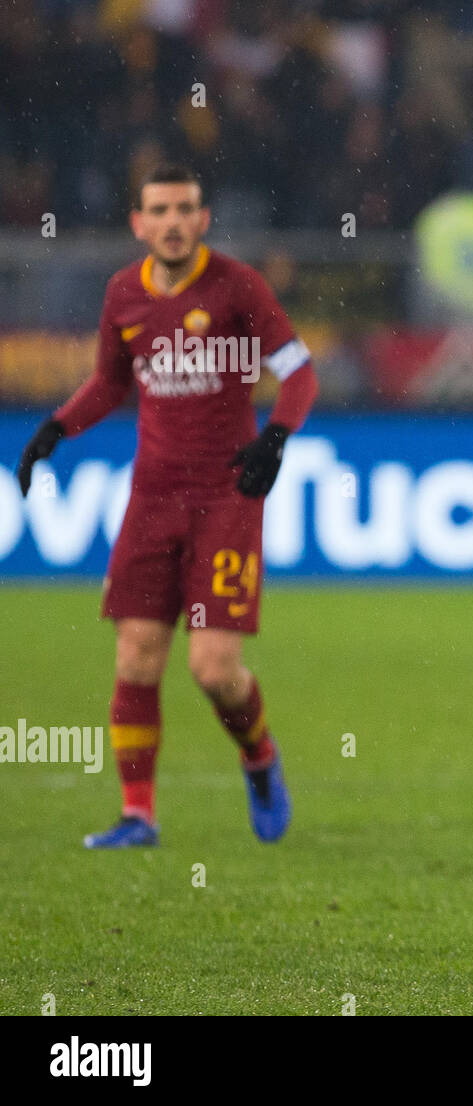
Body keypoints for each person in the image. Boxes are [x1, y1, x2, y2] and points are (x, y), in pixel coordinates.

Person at [15, 165, 318, 849]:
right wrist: (55, 428)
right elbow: (108, 381)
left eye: (186, 208)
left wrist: (275, 436)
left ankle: (259, 756)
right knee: (136, 656)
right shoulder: (124, 292)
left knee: (213, 669)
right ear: (139, 223)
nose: (174, 221)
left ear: (203, 219)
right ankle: (138, 816)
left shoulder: (238, 287)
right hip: (152, 497)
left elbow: (298, 371)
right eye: (160, 209)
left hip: (226, 497)